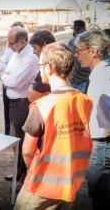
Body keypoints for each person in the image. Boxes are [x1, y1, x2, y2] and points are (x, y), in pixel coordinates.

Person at [14, 43, 93, 210]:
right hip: (70, 183)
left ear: (48, 68)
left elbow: (27, 151)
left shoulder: (42, 106)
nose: (39, 69)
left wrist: (32, 169)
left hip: (41, 187)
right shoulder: (85, 101)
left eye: (40, 65)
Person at [75, 30, 110, 209]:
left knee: (101, 196)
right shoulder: (102, 72)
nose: (76, 55)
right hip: (102, 146)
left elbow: (108, 122)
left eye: (80, 50)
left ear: (94, 51)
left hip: (102, 147)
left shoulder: (102, 76)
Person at [1, 26, 39, 185]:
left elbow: (15, 81)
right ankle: (19, 173)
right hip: (13, 103)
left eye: (11, 43)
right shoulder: (17, 53)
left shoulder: (31, 57)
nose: (9, 47)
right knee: (16, 140)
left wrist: (6, 78)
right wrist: (7, 77)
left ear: (23, 41)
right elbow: (5, 71)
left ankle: (24, 178)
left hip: (23, 104)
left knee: (24, 142)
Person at [0, 21, 24, 136]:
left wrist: (8, 72)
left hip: (19, 93)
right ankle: (7, 135)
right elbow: (1, 66)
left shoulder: (28, 53)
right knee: (7, 113)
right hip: (6, 86)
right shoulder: (9, 50)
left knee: (18, 119)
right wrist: (11, 72)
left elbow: (15, 77)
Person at [28, 30, 56, 102]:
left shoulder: (49, 66)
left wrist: (31, 85)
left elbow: (31, 96)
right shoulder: (57, 60)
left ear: (44, 46)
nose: (33, 52)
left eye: (35, 48)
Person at [68, 20, 90, 93]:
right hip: (72, 80)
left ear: (84, 29)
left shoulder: (89, 42)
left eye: (78, 29)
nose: (75, 32)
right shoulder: (71, 42)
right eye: (75, 29)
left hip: (84, 81)